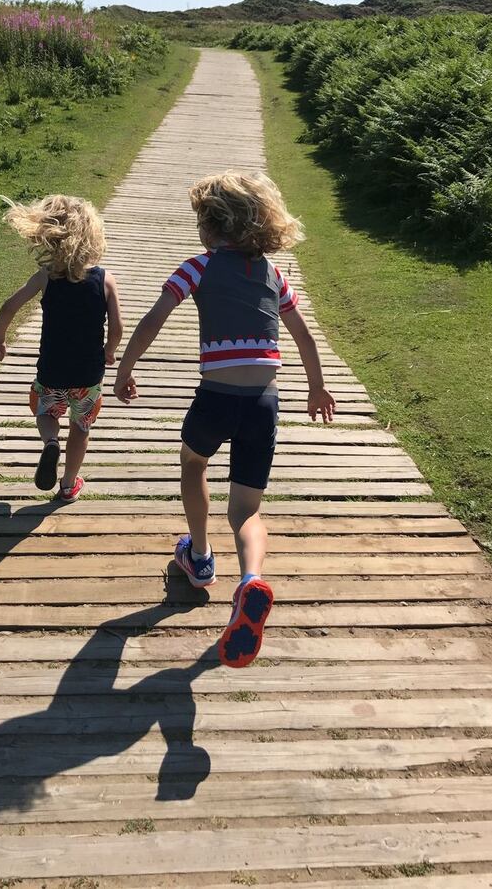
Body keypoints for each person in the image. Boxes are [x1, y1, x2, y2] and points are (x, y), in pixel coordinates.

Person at [114, 171, 335, 667]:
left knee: (194, 462)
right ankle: (250, 581)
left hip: (215, 398)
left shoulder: (195, 268)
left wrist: (126, 368)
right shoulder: (273, 275)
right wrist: (317, 387)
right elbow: (304, 338)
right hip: (264, 402)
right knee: (248, 511)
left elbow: (153, 318)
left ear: (210, 225)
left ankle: (198, 555)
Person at [0, 194, 122, 502]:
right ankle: (68, 484)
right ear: (93, 236)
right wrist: (110, 350)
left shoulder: (46, 277)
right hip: (88, 375)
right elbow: (117, 327)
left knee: (46, 413)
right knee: (81, 426)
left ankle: (50, 441)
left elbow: (9, 307)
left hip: (52, 370)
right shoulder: (105, 279)